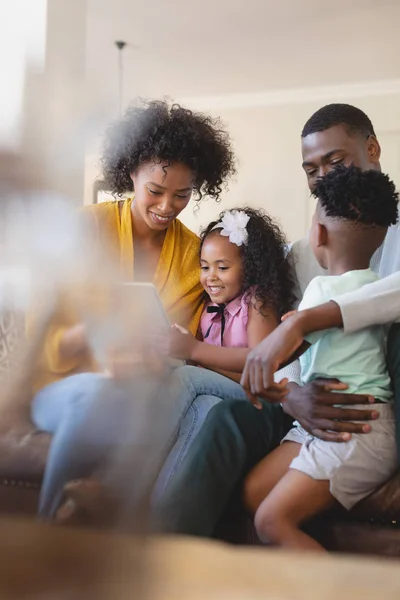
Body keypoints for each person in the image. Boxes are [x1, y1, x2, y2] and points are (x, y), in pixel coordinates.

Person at [151, 103, 400, 538]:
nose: (322, 177)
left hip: (376, 404)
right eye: (310, 169)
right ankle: (165, 547)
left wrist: (301, 323)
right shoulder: (302, 254)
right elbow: (278, 354)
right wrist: (291, 396)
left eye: (335, 161)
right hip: (303, 403)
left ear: (373, 149)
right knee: (223, 420)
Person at [30, 99, 236, 518]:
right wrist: (94, 334)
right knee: (98, 393)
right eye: (155, 192)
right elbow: (40, 338)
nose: (166, 207)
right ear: (131, 174)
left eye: (182, 196)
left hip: (145, 391)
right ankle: (50, 524)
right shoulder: (84, 228)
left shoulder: (195, 255)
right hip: (68, 385)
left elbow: (189, 341)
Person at [245, 164, 398, 551]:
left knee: (269, 520)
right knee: (254, 493)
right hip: (342, 425)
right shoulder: (376, 290)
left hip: (354, 430)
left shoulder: (320, 292)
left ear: (318, 232)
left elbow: (276, 358)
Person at [152, 207, 294, 498]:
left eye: (222, 267)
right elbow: (211, 367)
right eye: (204, 267)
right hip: (225, 397)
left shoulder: (257, 303)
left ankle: (134, 462)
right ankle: (161, 512)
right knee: (203, 408)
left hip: (260, 400)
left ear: (250, 267)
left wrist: (195, 351)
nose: (211, 277)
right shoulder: (209, 310)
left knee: (187, 378)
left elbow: (262, 362)